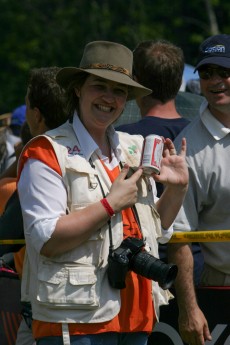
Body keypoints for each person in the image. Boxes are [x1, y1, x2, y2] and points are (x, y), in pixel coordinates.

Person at [17, 40, 188, 345]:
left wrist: (177, 189)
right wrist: (110, 205)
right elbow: (46, 239)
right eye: (100, 86)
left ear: (127, 100)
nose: (109, 98)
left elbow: (157, 229)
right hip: (76, 321)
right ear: (78, 88)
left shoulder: (133, 148)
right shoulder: (47, 151)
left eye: (119, 91)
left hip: (137, 317)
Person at [115, 39, 204, 285]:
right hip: (197, 271)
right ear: (179, 81)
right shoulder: (203, 137)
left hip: (142, 270)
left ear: (136, 82)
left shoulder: (121, 140)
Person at [167, 33, 230, 345]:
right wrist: (189, 309)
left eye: (223, 72)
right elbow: (179, 237)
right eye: (207, 73)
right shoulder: (187, 148)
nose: (215, 81)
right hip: (222, 291)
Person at [0, 66, 69, 345]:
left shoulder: (39, 158)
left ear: (36, 115)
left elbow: (6, 234)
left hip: (48, 301)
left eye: (28, 104)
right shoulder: (84, 149)